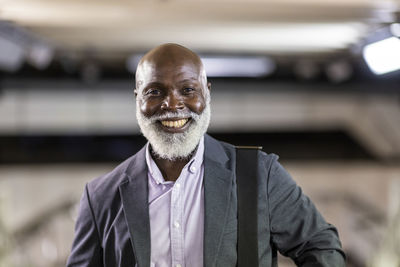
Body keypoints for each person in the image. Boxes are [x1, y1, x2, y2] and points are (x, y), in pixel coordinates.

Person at [67, 43, 345, 267]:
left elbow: (320, 245)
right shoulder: (101, 196)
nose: (172, 104)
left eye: (187, 90)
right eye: (155, 92)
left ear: (206, 94)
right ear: (137, 98)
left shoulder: (258, 174)